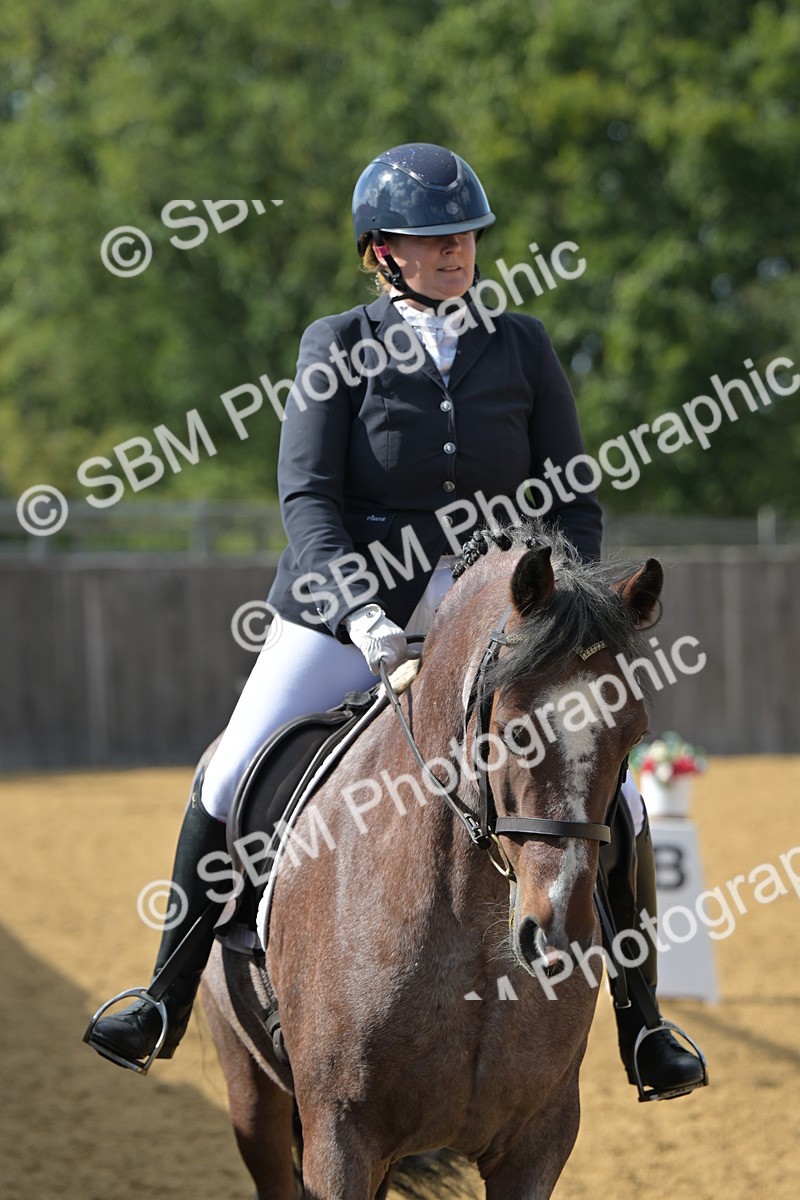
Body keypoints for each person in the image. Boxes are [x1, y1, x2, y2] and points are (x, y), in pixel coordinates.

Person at [85, 142, 705, 1098]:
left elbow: (572, 498)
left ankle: (644, 1023)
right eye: (430, 239)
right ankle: (165, 994)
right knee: (229, 770)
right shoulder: (335, 344)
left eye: (463, 235)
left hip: (500, 619)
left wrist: (564, 609)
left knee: (609, 797)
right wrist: (366, 618)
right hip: (345, 616)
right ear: (383, 251)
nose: (454, 251)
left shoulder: (524, 345)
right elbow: (309, 500)